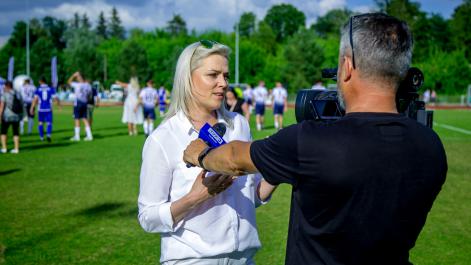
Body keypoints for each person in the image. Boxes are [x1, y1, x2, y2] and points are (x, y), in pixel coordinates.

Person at [183, 13, 447, 265]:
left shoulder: (310, 142)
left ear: (346, 67)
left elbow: (233, 159)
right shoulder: (431, 146)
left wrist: (200, 154)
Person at [138, 40, 276, 265]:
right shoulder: (163, 138)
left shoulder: (239, 125)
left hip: (244, 260)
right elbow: (148, 218)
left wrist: (278, 167)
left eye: (226, 76)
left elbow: (251, 196)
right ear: (187, 78)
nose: (223, 83)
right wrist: (194, 198)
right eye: (213, 75)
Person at [30, 77, 60, 142]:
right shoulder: (51, 89)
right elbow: (55, 98)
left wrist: (32, 108)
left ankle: (41, 137)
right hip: (49, 108)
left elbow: (35, 99)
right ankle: (48, 135)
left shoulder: (38, 89)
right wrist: (59, 105)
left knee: (40, 123)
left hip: (41, 109)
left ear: (40, 81)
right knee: (49, 123)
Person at [67, 72, 93, 141]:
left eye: (77, 77)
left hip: (78, 102)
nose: (77, 78)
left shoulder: (77, 85)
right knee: (85, 118)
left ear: (80, 77)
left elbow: (69, 82)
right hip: (85, 102)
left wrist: (73, 75)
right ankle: (89, 136)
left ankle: (77, 136)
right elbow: (90, 95)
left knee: (77, 118)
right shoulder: (88, 85)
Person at [0, 81, 22, 153]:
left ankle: (4, 148)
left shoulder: (4, 94)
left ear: (6, 86)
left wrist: (0, 115)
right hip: (16, 115)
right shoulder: (17, 93)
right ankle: (16, 149)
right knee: (16, 132)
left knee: (3, 132)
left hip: (7, 116)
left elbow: (2, 106)